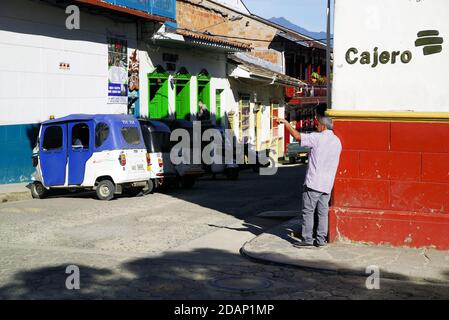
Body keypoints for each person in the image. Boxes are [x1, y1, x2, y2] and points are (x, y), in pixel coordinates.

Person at [278, 116, 342, 248]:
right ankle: (321, 240)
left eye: (317, 124)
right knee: (322, 212)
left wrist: (286, 124)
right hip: (327, 184)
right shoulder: (337, 141)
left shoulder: (317, 137)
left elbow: (297, 136)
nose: (316, 126)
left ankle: (307, 239)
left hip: (314, 182)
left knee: (308, 211)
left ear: (323, 126)